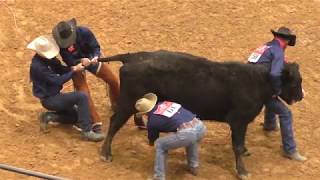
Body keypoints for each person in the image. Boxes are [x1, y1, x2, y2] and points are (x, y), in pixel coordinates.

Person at [28, 35, 104, 142]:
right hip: (50, 99)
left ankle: (49, 117)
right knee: (82, 96)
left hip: (55, 96)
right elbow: (57, 81)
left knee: (76, 116)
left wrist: (72, 68)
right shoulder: (38, 67)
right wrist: (73, 71)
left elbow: (60, 68)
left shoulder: (48, 60)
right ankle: (86, 131)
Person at [248, 27, 306, 161]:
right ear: (286, 41)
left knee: (270, 93)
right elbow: (274, 74)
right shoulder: (278, 51)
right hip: (259, 88)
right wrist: (277, 91)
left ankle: (270, 124)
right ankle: (290, 150)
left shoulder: (266, 47)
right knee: (286, 113)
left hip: (249, 84)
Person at [52, 18, 120, 133]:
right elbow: (68, 59)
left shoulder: (85, 32)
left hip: (91, 60)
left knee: (113, 80)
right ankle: (95, 122)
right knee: (84, 92)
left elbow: (95, 47)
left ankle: (117, 104)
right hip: (76, 65)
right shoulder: (61, 43)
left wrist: (94, 57)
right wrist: (79, 62)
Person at [135, 93, 206, 180]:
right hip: (200, 126)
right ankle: (193, 166)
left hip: (188, 133)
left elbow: (153, 138)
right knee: (192, 140)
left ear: (145, 113)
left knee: (160, 144)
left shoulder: (152, 120)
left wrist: (151, 142)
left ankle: (159, 177)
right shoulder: (166, 103)